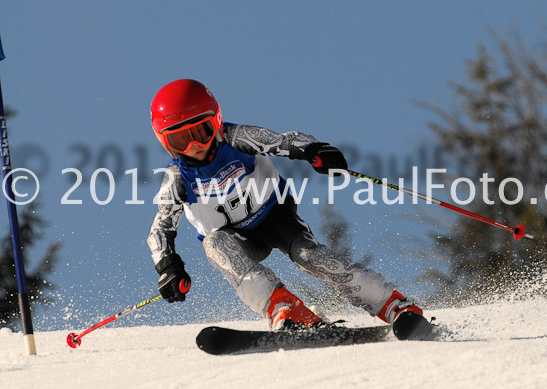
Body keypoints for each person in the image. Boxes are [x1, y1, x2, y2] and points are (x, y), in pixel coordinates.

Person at [147, 79, 424, 330]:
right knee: (214, 244)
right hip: (236, 240)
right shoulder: (176, 179)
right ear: (165, 141)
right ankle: (285, 308)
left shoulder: (236, 138)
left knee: (309, 256)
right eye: (180, 139)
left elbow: (282, 141)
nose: (195, 144)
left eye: (202, 131)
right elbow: (160, 230)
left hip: (274, 216)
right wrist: (168, 266)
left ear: (216, 122)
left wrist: (313, 150)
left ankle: (393, 304)